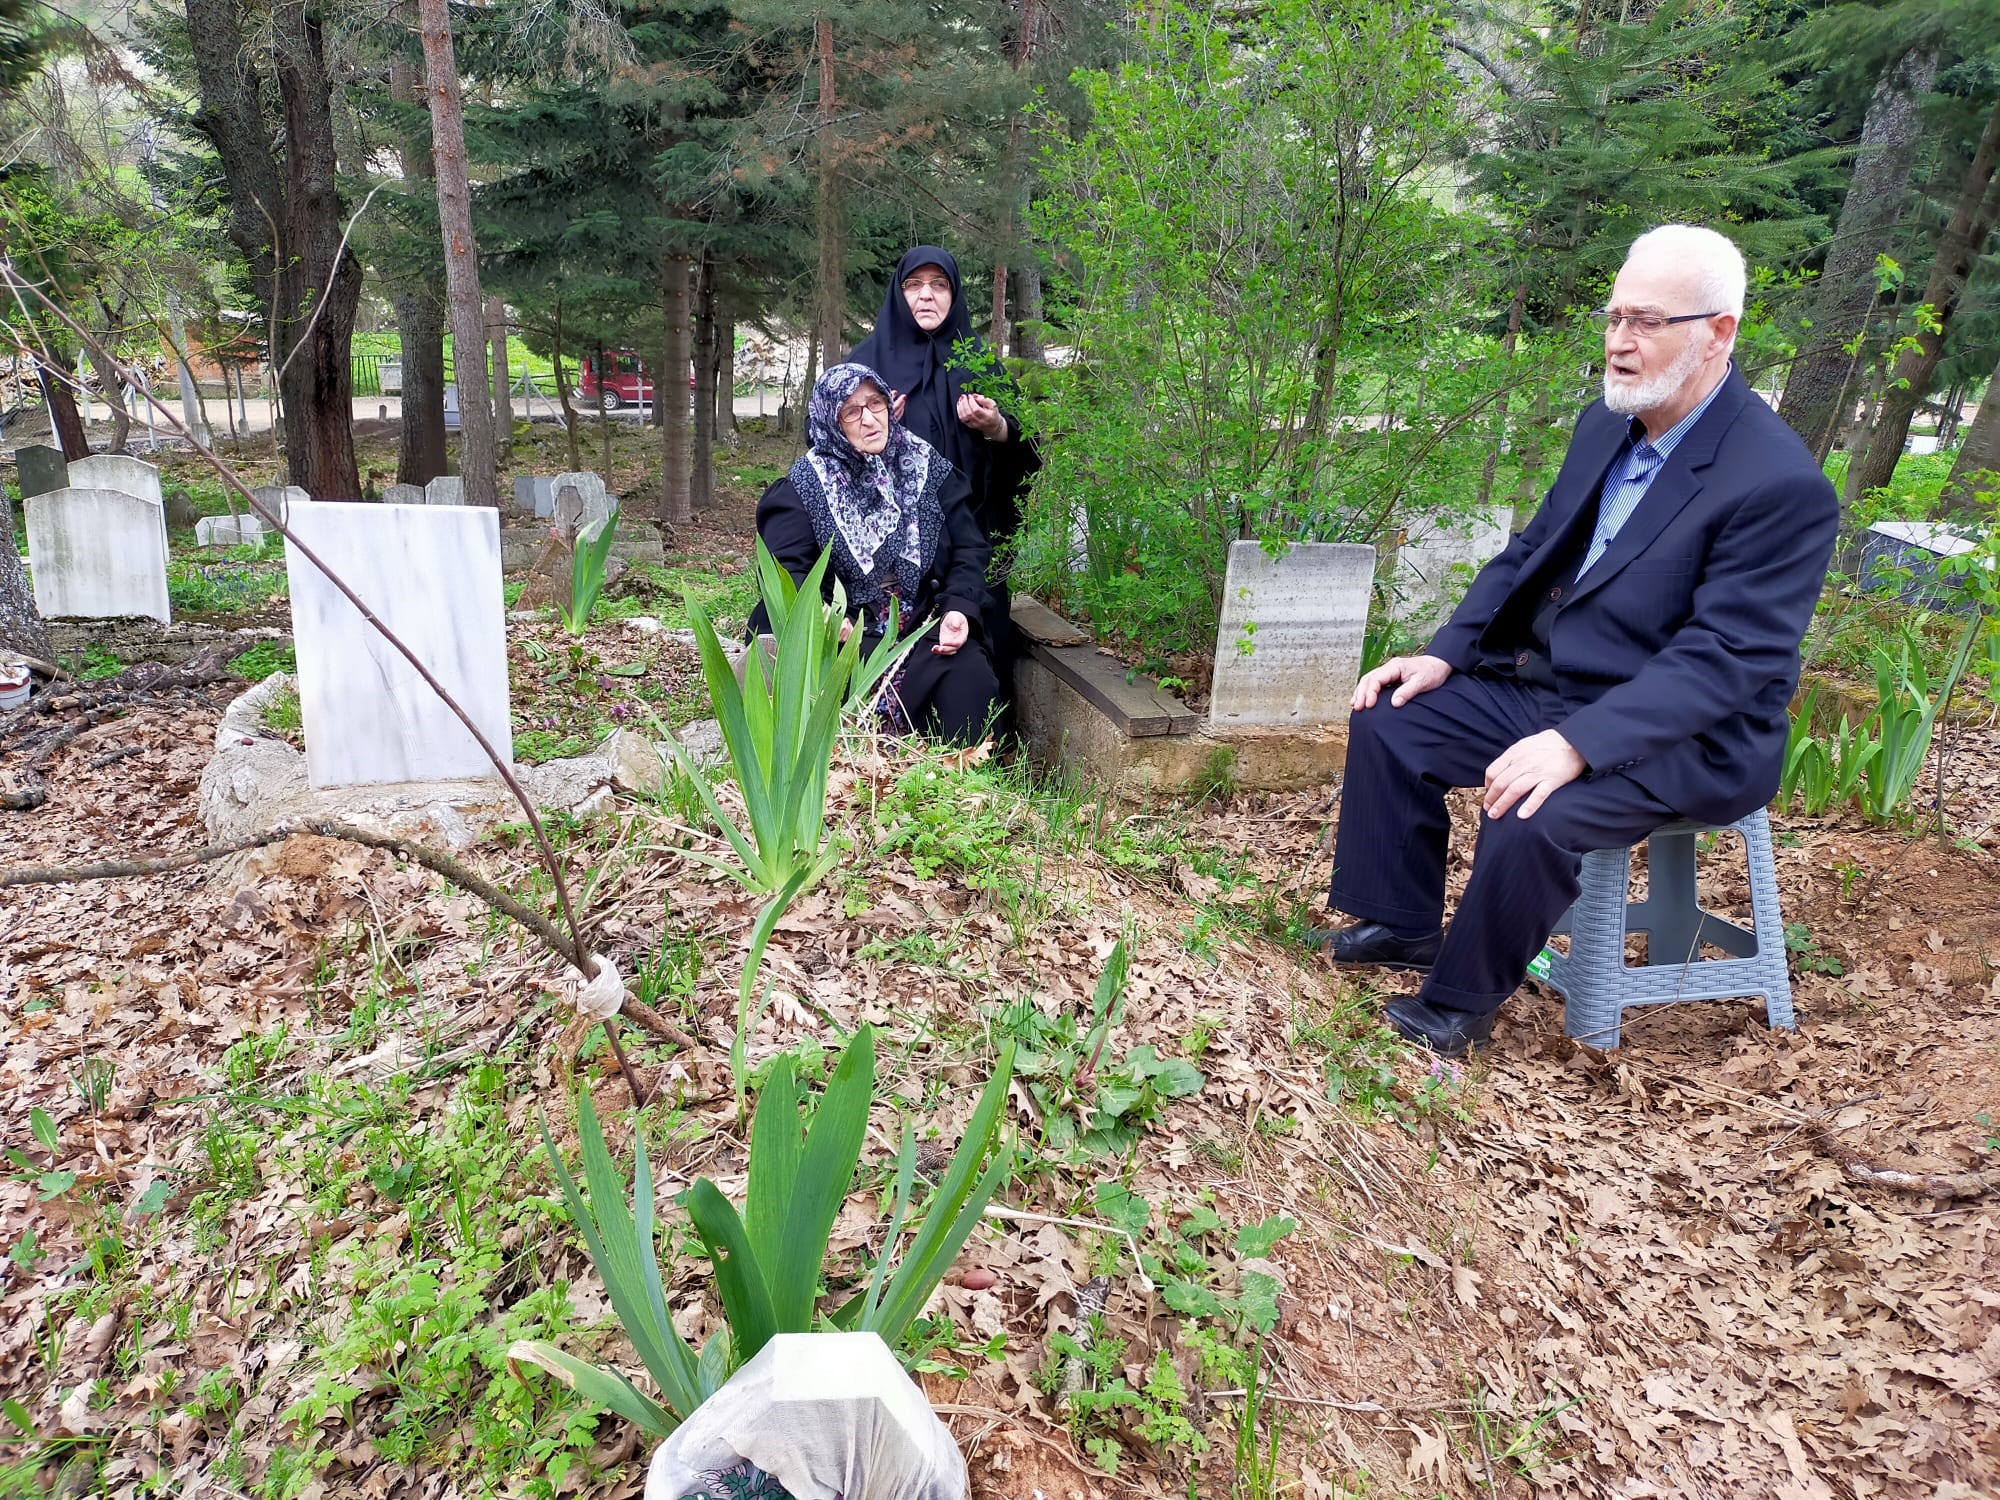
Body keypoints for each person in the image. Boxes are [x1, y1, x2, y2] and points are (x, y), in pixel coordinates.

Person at [1313, 224, 1837, 1058]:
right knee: (1393, 715)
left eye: (1648, 323)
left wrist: (1578, 745)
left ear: (1718, 332)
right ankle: (1403, 923)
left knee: (1537, 806)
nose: (1621, 343)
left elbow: (1730, 657)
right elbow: (1528, 551)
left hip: (1688, 736)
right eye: (1615, 316)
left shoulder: (1776, 483)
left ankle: (1458, 1008)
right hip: (1556, 689)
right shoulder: (1608, 423)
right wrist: (1447, 651)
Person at [751, 362, 999, 744]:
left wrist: (958, 609)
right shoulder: (805, 486)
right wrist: (823, 616)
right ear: (830, 420)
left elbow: (969, 548)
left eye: (876, 404)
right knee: (816, 696)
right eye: (851, 411)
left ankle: (959, 781)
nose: (869, 420)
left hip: (922, 620)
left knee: (969, 682)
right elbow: (785, 570)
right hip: (842, 631)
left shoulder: (926, 468)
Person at [848, 246, 1040, 680]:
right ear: (899, 296)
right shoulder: (865, 364)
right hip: (886, 548)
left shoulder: (979, 365)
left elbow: (1029, 450)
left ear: (954, 296)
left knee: (975, 651)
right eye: (913, 286)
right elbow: (823, 441)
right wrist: (871, 431)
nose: (926, 296)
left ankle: (981, 737)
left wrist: (996, 427)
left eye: (938, 286)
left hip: (969, 540)